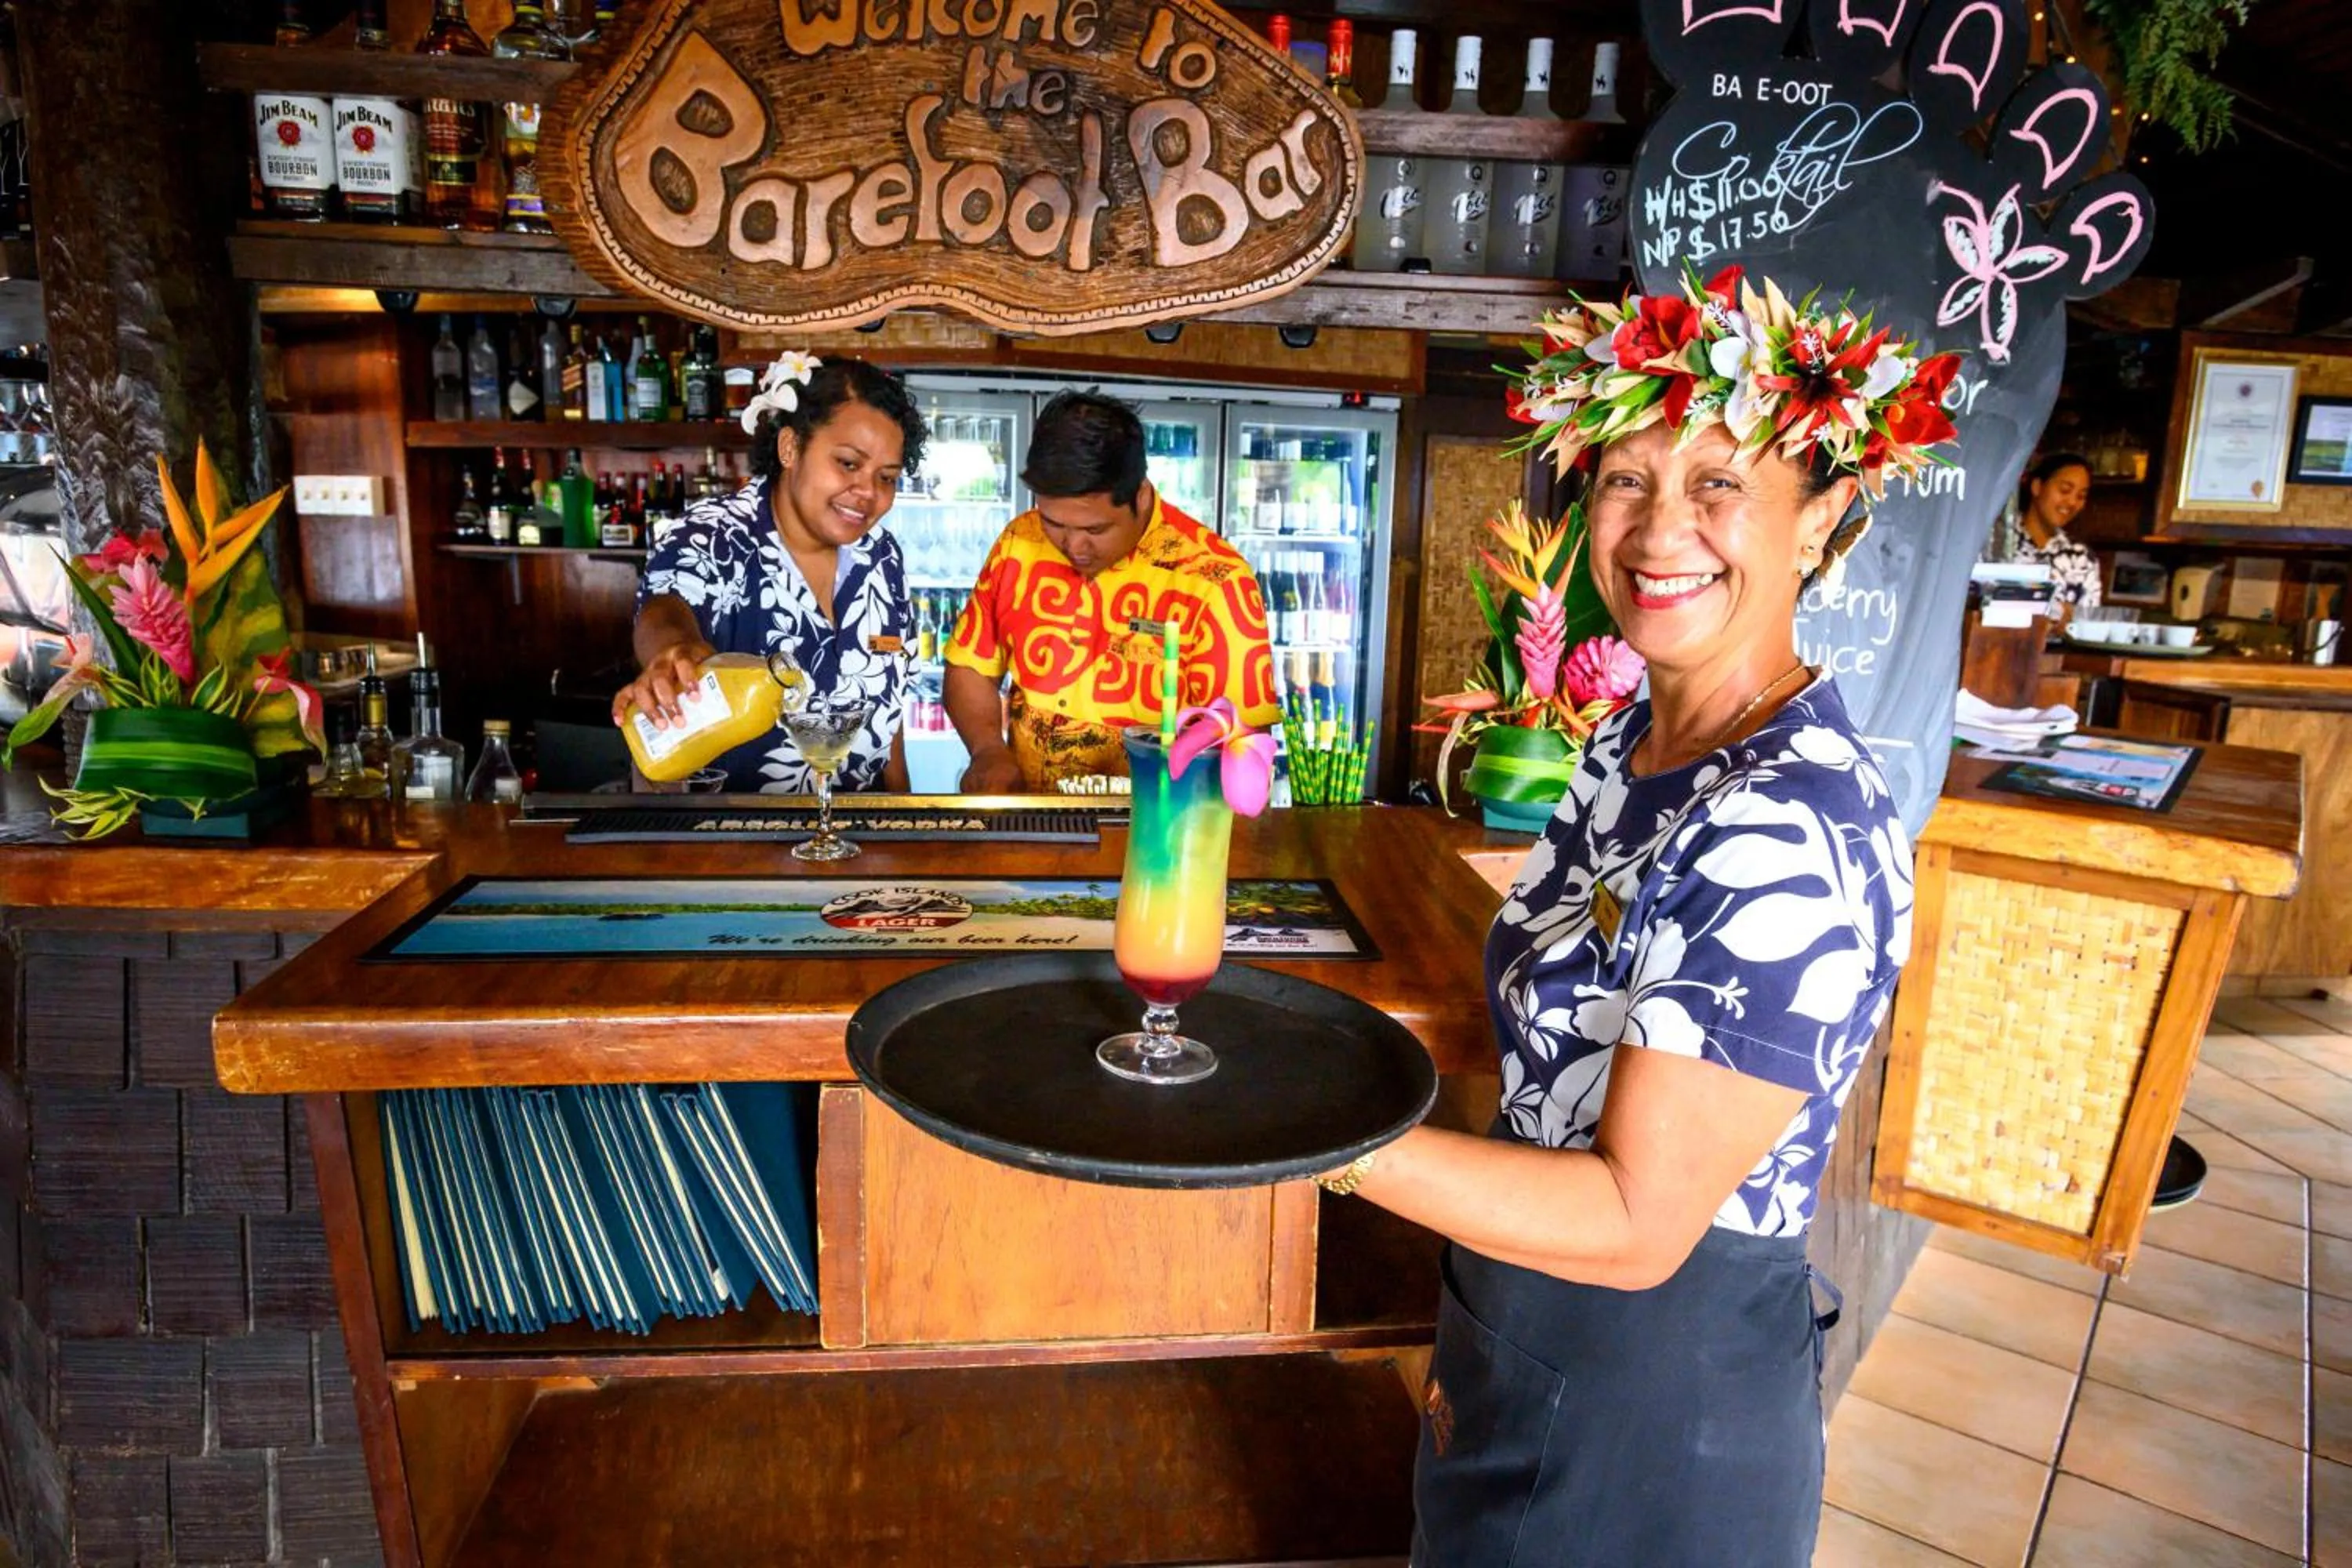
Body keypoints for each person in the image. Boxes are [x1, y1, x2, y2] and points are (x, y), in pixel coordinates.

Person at [1315, 267, 1956, 1565]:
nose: (1661, 532)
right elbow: (1616, 942)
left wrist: (1297, 1135)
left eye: (1721, 487)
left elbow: (1632, 1221)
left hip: (1647, 1401)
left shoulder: (1789, 824)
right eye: (1626, 481)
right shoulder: (1635, 738)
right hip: (1530, 1342)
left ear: (1824, 517)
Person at [612, 355, 927, 793]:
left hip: (858, 841)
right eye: (849, 464)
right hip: (737, 842)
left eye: (887, 477)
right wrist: (674, 650)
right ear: (790, 448)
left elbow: (889, 721)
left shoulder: (884, 557)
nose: (868, 493)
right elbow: (665, 610)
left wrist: (902, 820)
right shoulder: (712, 535)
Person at [944, 390, 1279, 792]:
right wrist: (987, 750)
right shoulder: (1021, 540)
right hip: (1031, 819)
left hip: (1155, 828)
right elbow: (971, 666)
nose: (1073, 547)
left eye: (1095, 530)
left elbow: (1242, 740)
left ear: (1139, 495)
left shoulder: (1214, 579)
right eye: (1055, 523)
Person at [2009, 452, 2102, 618]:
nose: (2072, 502)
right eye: (2065, 490)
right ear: (2037, 487)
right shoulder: (1998, 541)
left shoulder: (2082, 558)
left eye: (2081, 496)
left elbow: (2086, 623)